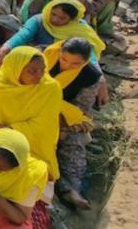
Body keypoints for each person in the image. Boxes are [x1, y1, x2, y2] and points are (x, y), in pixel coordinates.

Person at [0, 46, 62, 203]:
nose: (40, 76)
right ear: (16, 69)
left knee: (34, 176)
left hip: (33, 148)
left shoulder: (50, 88)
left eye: (43, 69)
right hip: (0, 145)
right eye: (32, 71)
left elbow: (42, 129)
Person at [42, 38, 105, 210]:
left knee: (72, 144)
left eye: (75, 64)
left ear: (85, 62)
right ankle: (58, 187)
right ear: (60, 52)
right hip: (32, 107)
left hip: (65, 117)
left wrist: (59, 125)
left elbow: (80, 108)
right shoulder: (44, 56)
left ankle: (71, 190)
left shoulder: (91, 77)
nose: (66, 66)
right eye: (64, 59)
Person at [0, 0, 105, 69]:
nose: (55, 20)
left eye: (62, 18)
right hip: (36, 62)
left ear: (72, 19)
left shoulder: (79, 30)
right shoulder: (39, 20)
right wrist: (4, 49)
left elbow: (88, 53)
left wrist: (99, 76)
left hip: (64, 67)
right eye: (53, 14)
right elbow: (23, 34)